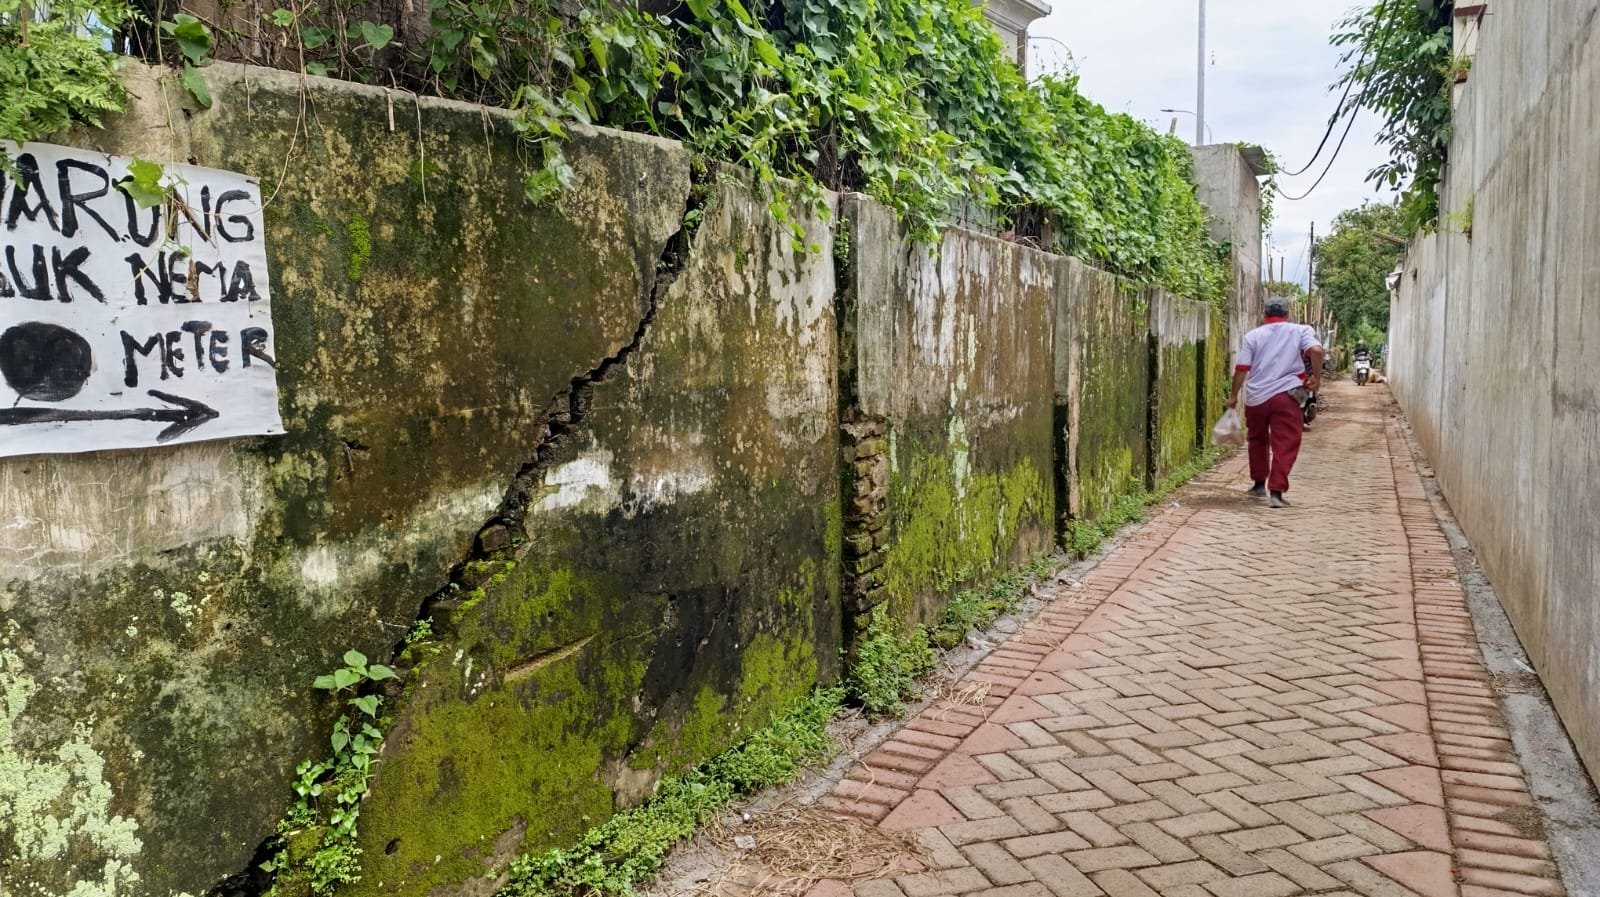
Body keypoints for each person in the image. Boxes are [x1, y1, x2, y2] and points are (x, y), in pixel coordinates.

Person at [1229, 298, 1325, 507]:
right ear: (1287, 314)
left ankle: (1258, 484)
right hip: (1287, 395)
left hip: (1256, 397)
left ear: (1264, 314)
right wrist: (1315, 378)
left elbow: (1242, 367)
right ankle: (1276, 493)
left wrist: (1234, 395)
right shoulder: (1300, 330)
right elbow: (1316, 351)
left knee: (1257, 439)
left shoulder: (1252, 336)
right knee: (1285, 442)